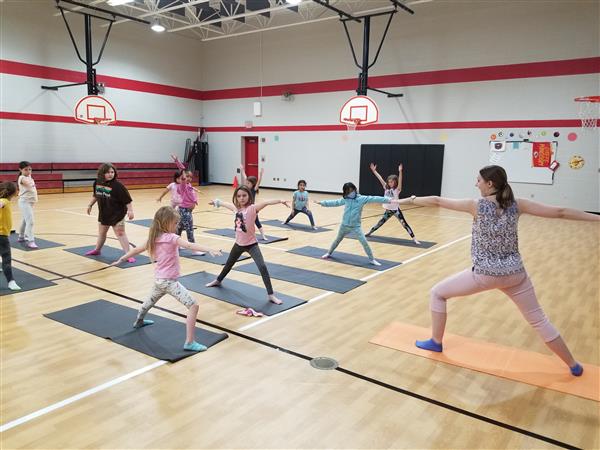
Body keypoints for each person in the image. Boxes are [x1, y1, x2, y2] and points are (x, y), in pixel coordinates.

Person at [398, 165, 599, 376]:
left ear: (489, 183)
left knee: (437, 293)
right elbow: (561, 212)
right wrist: (597, 218)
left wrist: (408, 200)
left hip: (485, 275)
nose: (476, 184)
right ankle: (573, 364)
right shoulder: (518, 205)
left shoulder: (475, 205)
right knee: (539, 320)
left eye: (478, 180)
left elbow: (437, 201)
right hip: (516, 275)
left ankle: (436, 342)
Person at [113, 206, 222, 352]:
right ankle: (189, 342)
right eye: (175, 223)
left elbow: (136, 250)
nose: (177, 226)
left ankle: (139, 321)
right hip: (169, 283)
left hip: (159, 281)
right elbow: (189, 245)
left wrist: (122, 258)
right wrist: (209, 249)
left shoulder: (154, 238)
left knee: (148, 303)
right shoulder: (171, 238)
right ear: (166, 223)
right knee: (193, 306)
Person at [206, 186, 290, 305]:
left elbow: (266, 202)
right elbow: (224, 204)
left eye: (244, 195)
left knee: (262, 267)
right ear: (236, 197)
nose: (241, 198)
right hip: (238, 244)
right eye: (239, 196)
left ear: (249, 196)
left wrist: (280, 201)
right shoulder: (236, 209)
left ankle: (271, 295)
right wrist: (216, 202)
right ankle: (218, 280)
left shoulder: (252, 208)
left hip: (252, 245)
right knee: (228, 264)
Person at [316, 182, 400, 266]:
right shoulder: (346, 199)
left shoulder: (361, 199)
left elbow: (374, 198)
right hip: (344, 225)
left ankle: (372, 259)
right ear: (345, 192)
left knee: (364, 242)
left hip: (356, 227)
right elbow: (335, 202)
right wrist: (323, 203)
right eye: (348, 192)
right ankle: (329, 253)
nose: (351, 193)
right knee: (337, 240)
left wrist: (389, 200)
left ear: (355, 190)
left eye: (352, 190)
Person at [86, 163, 136, 262]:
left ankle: (128, 254)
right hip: (105, 213)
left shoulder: (118, 186)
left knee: (120, 233)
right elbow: (96, 195)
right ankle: (97, 250)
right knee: (102, 233)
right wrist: (90, 205)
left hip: (117, 214)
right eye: (108, 172)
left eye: (112, 172)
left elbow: (128, 200)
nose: (110, 174)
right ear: (102, 173)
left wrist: (130, 211)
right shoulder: (97, 182)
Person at [365, 163, 420, 244]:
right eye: (389, 182)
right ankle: (369, 232)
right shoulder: (385, 187)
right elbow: (380, 178)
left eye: (392, 182)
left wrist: (400, 172)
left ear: (395, 183)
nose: (390, 183)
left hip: (396, 210)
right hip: (388, 211)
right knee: (380, 223)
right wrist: (374, 171)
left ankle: (414, 238)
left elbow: (400, 181)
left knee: (404, 224)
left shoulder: (397, 190)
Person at [0, 182, 21, 290]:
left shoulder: (6, 201)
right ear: (12, 192)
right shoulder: (4, 201)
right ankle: (11, 282)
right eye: (17, 189)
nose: (18, 191)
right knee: (6, 259)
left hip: (3, 234)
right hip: (2, 236)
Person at [240, 165, 268, 241]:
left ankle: (263, 236)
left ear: (253, 184)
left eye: (248, 183)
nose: (246, 184)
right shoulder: (245, 188)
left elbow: (258, 182)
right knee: (244, 222)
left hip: (252, 209)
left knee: (257, 222)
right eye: (246, 183)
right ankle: (245, 234)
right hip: (245, 209)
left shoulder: (254, 189)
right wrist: (242, 170)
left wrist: (261, 175)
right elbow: (245, 177)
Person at [17, 161, 39, 249]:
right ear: (20, 170)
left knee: (25, 220)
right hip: (24, 202)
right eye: (26, 170)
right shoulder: (22, 178)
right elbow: (29, 185)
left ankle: (21, 237)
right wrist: (32, 184)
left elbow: (31, 185)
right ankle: (31, 241)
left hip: (30, 202)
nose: (29, 171)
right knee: (30, 221)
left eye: (30, 169)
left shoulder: (28, 176)